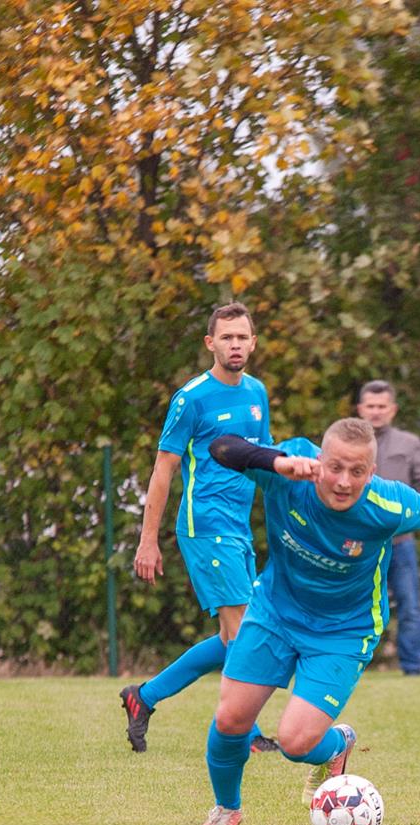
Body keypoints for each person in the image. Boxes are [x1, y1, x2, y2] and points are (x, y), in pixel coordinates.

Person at [197, 419, 420, 825]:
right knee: (231, 718)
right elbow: (221, 447)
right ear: (320, 460)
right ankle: (225, 811)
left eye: (357, 472)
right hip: (275, 614)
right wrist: (277, 461)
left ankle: (337, 744)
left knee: (295, 742)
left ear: (372, 471)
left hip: (344, 632)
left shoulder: (386, 503)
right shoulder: (288, 472)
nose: (344, 481)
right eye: (335, 467)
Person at [121, 302, 275, 754]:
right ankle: (244, 734)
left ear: (253, 342)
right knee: (245, 634)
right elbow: (163, 470)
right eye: (226, 337)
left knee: (235, 637)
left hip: (240, 528)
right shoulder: (191, 398)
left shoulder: (257, 393)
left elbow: (262, 460)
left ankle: (142, 697)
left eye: (242, 337)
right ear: (211, 343)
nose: (235, 345)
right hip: (205, 526)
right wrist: (148, 541)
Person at [356, 380, 420, 675]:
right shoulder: (349, 443)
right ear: (360, 409)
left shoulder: (409, 443)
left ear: (393, 409)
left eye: (382, 406)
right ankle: (353, 664)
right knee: (354, 606)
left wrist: (404, 517)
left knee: (410, 607)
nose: (376, 412)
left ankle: (412, 670)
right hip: (358, 545)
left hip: (401, 542)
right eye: (371, 406)